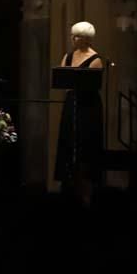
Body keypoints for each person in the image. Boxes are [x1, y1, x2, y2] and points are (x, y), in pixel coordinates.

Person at [54, 21, 104, 197]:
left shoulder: (95, 59)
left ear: (87, 39)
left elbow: (91, 85)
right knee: (68, 141)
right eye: (72, 36)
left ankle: (86, 186)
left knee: (85, 144)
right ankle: (67, 185)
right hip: (72, 103)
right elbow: (63, 80)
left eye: (77, 36)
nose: (73, 39)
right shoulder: (68, 57)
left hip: (88, 106)